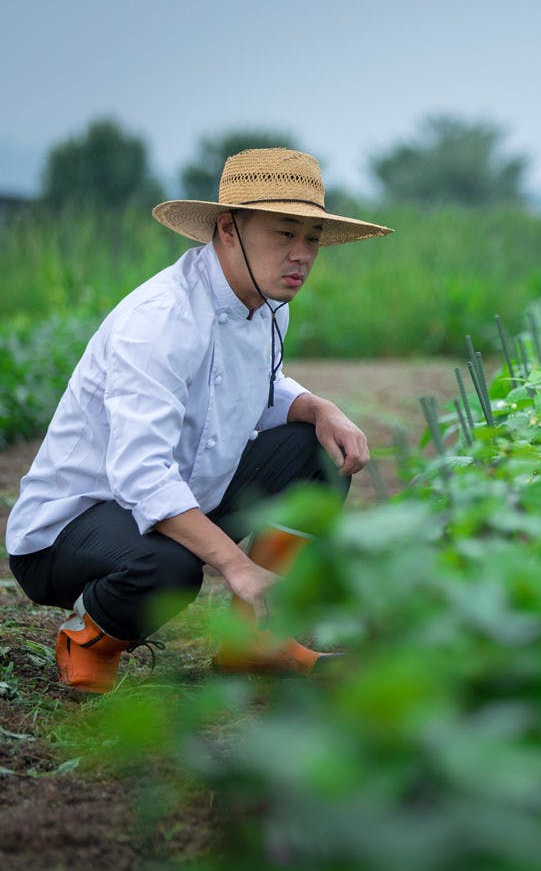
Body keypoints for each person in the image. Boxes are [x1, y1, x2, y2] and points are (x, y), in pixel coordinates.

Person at [5, 148, 392, 693]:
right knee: (171, 568)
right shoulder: (161, 321)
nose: (302, 254)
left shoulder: (268, 303)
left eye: (312, 238)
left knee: (316, 452)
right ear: (228, 228)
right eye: (285, 234)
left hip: (185, 494)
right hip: (71, 525)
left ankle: (253, 640)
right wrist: (235, 563)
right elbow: (141, 476)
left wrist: (321, 409)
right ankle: (88, 636)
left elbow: (261, 386)